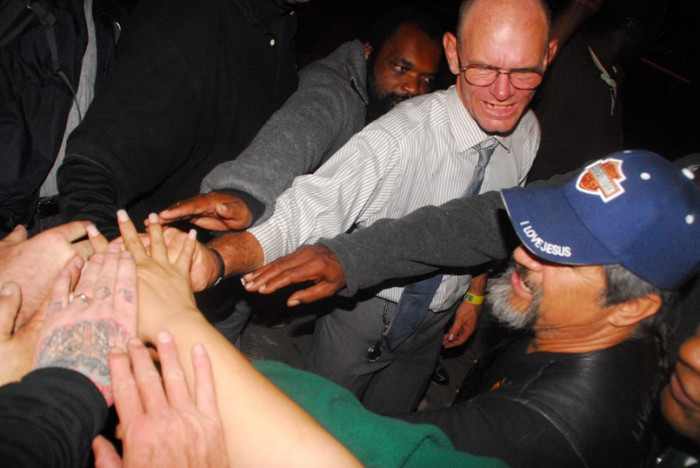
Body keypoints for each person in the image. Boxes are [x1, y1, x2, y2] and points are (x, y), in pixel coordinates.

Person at [164, 0, 556, 413]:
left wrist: (472, 295)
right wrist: (216, 260)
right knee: (318, 422)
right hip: (364, 310)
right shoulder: (398, 136)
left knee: (387, 432)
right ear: (454, 54)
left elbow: (493, 219)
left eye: (523, 71)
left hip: (435, 324)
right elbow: (313, 203)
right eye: (484, 68)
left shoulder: (528, 133)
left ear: (547, 57)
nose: (502, 92)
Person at [247, 150, 700, 466]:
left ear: (631, 307)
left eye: (563, 255)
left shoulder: (541, 432)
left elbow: (353, 450)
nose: (521, 254)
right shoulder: (596, 330)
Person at [158, 4, 444, 339]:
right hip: (248, 236)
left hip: (281, 246)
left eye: (425, 79)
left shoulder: (385, 104)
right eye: (401, 68)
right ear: (370, 53)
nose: (412, 87)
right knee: (211, 333)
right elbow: (297, 132)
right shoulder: (334, 92)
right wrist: (244, 192)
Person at [57, 0, 301, 240]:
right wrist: (117, 258)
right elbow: (92, 171)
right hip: (149, 254)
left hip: (213, 258)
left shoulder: (282, 25)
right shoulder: (191, 19)